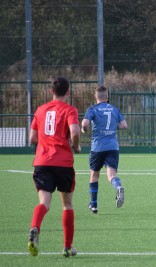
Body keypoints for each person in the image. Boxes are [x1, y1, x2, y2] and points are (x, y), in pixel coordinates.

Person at [28, 77, 81, 257]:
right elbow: (74, 132)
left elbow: (32, 139)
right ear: (68, 92)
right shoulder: (70, 110)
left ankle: (35, 228)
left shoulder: (40, 110)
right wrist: (76, 146)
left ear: (51, 91)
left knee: (44, 203)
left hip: (42, 162)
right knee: (67, 204)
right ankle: (67, 247)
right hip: (63, 162)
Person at [81, 86, 128, 214]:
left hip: (98, 147)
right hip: (112, 147)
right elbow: (124, 125)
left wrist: (84, 130)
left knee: (94, 175)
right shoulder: (114, 109)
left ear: (96, 97)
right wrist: (113, 127)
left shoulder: (92, 109)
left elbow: (84, 124)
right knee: (111, 175)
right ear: (107, 97)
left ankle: (94, 205)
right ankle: (118, 186)